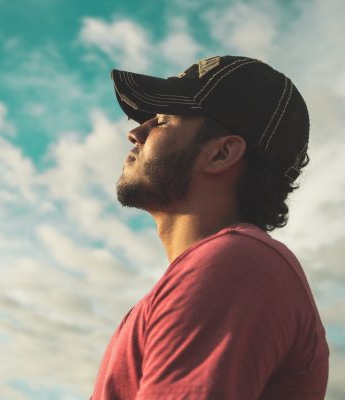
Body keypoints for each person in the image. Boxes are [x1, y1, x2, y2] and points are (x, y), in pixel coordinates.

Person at [90, 55, 329, 399]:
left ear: (221, 154)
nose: (135, 132)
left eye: (164, 120)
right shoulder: (224, 268)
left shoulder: (236, 265)